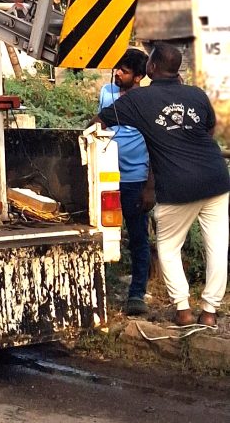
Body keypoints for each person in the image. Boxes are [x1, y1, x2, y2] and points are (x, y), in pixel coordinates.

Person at [100, 41, 229, 328]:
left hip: (177, 184)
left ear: (152, 67)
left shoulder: (138, 100)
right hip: (215, 177)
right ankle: (209, 313)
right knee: (217, 245)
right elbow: (208, 128)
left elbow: (101, 122)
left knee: (169, 246)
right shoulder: (197, 94)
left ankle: (183, 310)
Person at [97, 47, 152, 317]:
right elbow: (98, 127)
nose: (118, 73)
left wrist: (150, 186)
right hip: (106, 177)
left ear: (140, 76)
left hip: (135, 180)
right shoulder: (107, 94)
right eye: (117, 68)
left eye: (125, 71)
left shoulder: (148, 101)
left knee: (138, 237)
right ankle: (99, 290)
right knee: (99, 235)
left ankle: (137, 294)